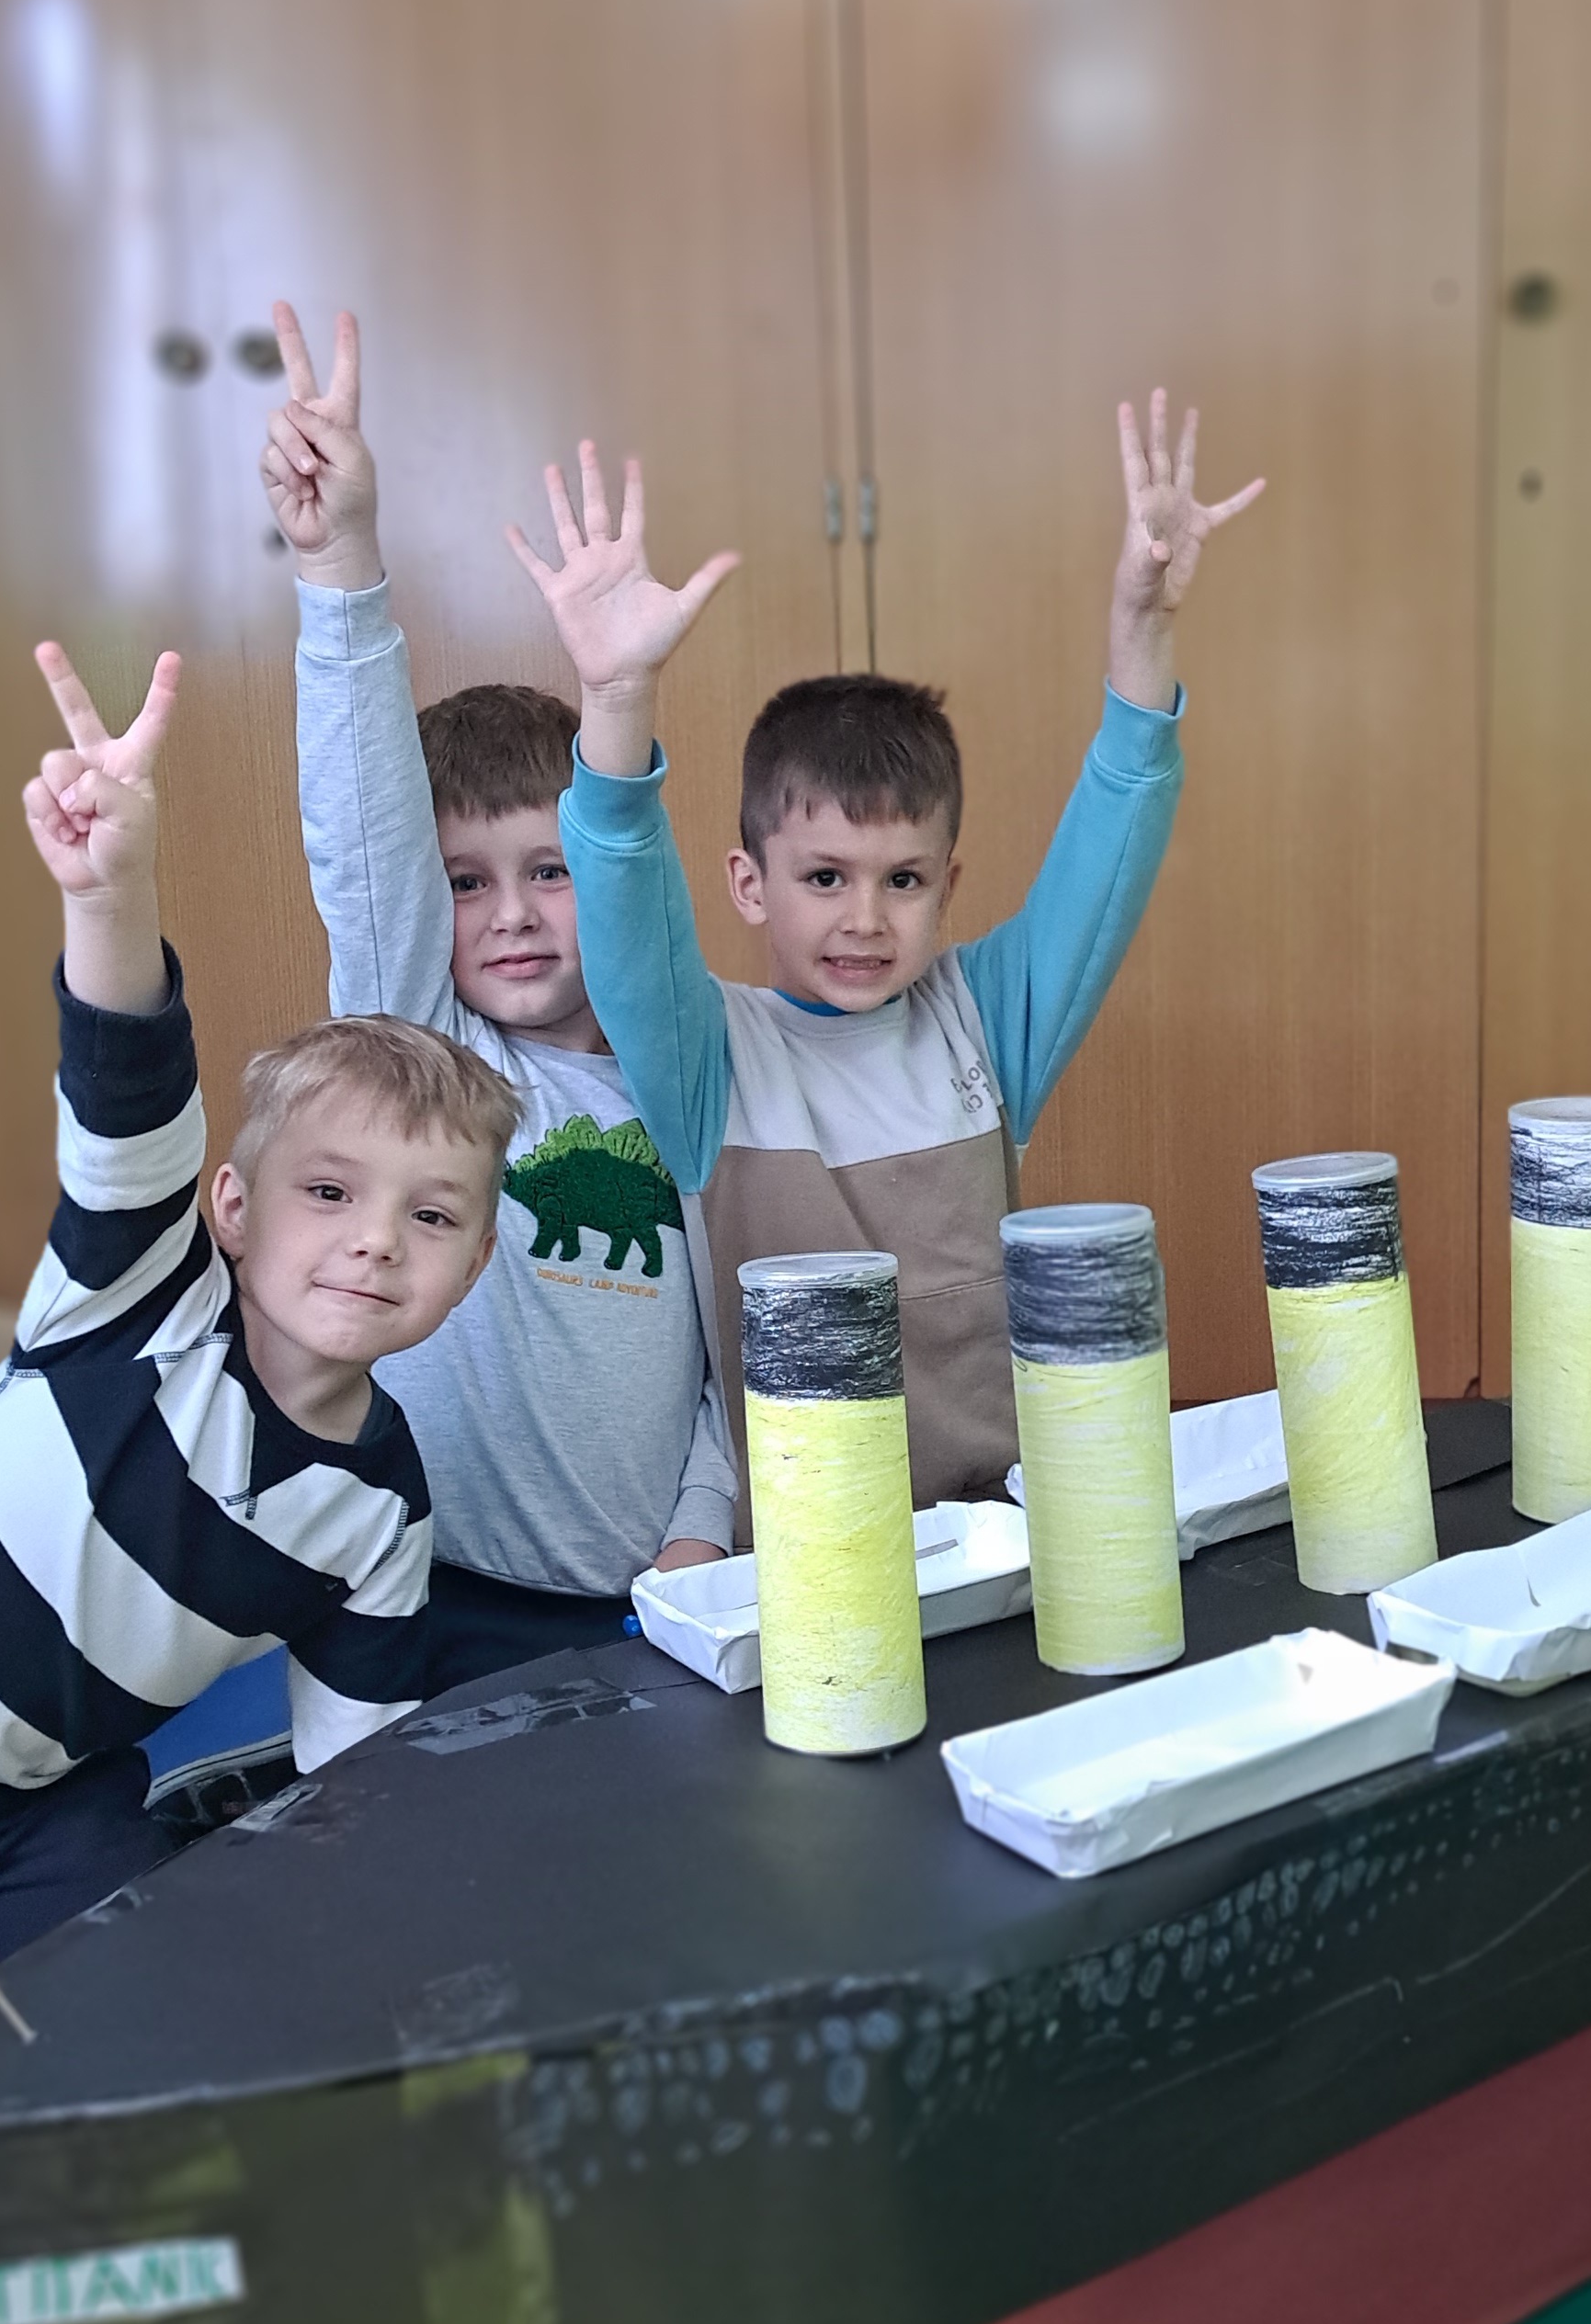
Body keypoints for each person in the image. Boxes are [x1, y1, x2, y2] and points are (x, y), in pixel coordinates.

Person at [0, 639, 517, 2110]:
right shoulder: (138, 1294)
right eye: (330, 1193)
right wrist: (109, 890)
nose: (377, 1242)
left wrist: (408, 1979)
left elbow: (356, 1777)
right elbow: (127, 1083)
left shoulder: (379, 1512)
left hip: (36, 1804)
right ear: (234, 1210)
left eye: (431, 1218)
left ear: (477, 1259)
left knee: (142, 2073)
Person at [517, 393, 1261, 1514]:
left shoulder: (986, 1020)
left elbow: (1112, 840)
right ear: (749, 885)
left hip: (1013, 1530)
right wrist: (617, 697)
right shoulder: (706, 1058)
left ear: (945, 889)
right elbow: (623, 897)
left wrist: (1142, 629)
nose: (866, 918)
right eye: (825, 877)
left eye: (902, 881)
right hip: (815, 1552)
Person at [261, 302, 733, 1691]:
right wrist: (340, 565)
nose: (513, 914)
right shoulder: (428, 1056)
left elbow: (740, 1334)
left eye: (549, 873)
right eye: (466, 884)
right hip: (416, 1589)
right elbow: (364, 842)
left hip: (647, 1600)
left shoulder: (694, 1068)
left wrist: (706, 1524)